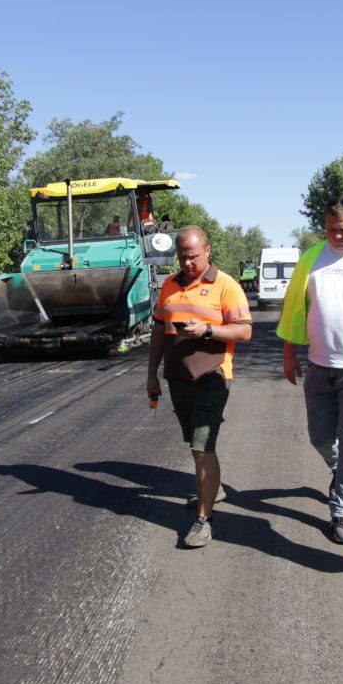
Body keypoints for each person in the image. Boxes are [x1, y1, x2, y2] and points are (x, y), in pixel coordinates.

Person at [276, 196, 343, 544]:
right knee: (320, 437)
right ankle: (339, 471)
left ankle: (341, 513)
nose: (336, 236)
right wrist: (290, 353)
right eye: (331, 230)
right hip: (320, 365)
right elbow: (295, 308)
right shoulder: (312, 257)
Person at [147, 227, 252, 548]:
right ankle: (213, 488)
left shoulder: (226, 286)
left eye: (193, 256)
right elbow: (158, 332)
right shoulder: (169, 285)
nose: (187, 262)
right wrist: (151, 374)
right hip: (178, 378)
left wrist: (207, 331)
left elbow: (244, 332)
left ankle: (203, 521)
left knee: (200, 447)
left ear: (207, 251)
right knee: (198, 444)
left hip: (213, 376)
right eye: (182, 256)